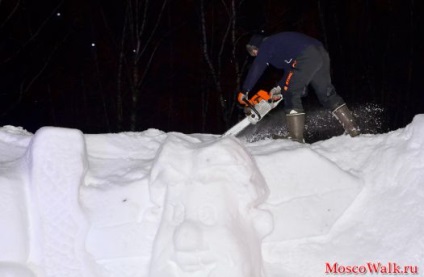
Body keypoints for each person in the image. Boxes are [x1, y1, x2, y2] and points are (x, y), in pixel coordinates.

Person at [237, 31, 360, 143]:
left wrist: (245, 90)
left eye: (254, 51)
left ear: (257, 45)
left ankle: (296, 137)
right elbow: (290, 70)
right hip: (320, 53)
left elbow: (258, 66)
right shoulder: (280, 46)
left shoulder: (267, 44)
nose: (255, 54)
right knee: (326, 94)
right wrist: (279, 88)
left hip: (305, 56)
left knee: (291, 93)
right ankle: (353, 129)